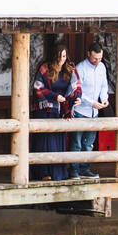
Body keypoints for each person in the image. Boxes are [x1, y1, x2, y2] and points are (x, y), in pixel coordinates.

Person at [30, 42, 81, 181]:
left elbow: (76, 86)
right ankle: (43, 172)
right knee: (45, 140)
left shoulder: (70, 68)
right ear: (54, 56)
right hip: (44, 108)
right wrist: (54, 96)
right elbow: (37, 87)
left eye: (64, 56)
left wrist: (77, 98)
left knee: (57, 140)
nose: (62, 59)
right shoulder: (45, 68)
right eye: (59, 56)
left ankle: (58, 173)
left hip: (60, 110)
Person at [70, 42, 109, 178]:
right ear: (88, 54)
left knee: (89, 143)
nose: (97, 61)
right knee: (77, 143)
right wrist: (92, 102)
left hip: (95, 112)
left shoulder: (102, 67)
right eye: (94, 58)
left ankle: (85, 169)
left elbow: (104, 85)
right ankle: (74, 170)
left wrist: (104, 98)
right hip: (81, 110)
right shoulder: (81, 68)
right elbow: (77, 90)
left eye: (99, 58)